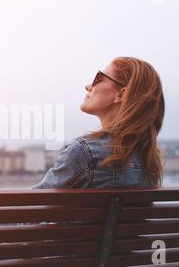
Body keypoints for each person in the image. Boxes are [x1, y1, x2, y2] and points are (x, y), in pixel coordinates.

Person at [31, 56, 165, 189]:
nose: (88, 86)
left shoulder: (84, 152)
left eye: (98, 78)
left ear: (121, 95)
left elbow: (32, 203)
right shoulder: (147, 159)